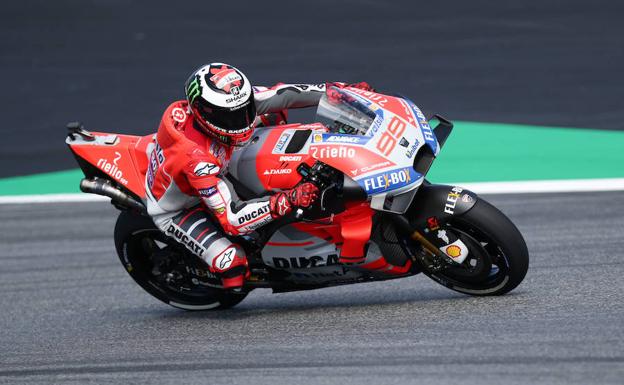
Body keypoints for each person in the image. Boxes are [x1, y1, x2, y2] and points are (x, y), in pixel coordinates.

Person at [145, 62, 372, 290]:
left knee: (274, 114)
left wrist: (343, 93)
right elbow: (233, 221)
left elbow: (284, 94)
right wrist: (288, 199)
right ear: (204, 113)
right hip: (180, 208)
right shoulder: (197, 162)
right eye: (231, 117)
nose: (243, 122)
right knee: (231, 265)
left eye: (245, 111)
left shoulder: (228, 105)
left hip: (220, 160)